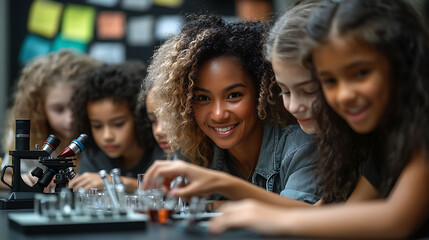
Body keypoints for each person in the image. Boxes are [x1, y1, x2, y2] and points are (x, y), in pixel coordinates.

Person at [210, 0, 429, 238]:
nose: (344, 95)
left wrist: (275, 219)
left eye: (361, 73)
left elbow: (396, 221)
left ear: (401, 62)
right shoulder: (376, 137)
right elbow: (344, 214)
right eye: (330, 81)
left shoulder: (420, 125)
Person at [142, 15, 319, 204]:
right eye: (203, 98)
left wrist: (217, 193)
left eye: (233, 95)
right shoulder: (194, 149)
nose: (219, 114)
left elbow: (307, 220)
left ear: (262, 92)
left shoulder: (300, 147)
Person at [0, 50, 101, 189]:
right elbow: (4, 175)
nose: (70, 118)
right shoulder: (25, 135)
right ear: (39, 110)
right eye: (58, 109)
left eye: (77, 106)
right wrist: (21, 180)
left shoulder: (104, 134)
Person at [68, 62, 164, 193]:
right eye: (97, 126)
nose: (107, 136)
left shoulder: (163, 148)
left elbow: (175, 192)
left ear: (139, 116)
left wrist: (117, 183)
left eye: (118, 124)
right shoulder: (93, 156)